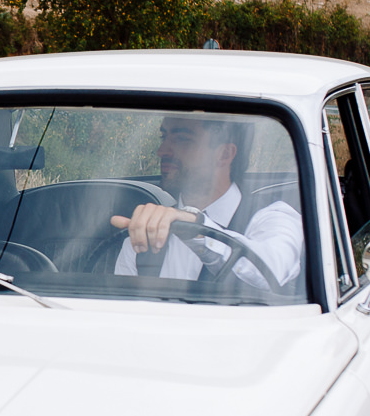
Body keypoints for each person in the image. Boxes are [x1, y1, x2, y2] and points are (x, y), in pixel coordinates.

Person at [110, 115, 304, 290]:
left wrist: (195, 228)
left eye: (182, 139)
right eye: (164, 138)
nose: (162, 151)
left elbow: (272, 271)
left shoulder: (274, 218)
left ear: (225, 154)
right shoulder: (142, 235)